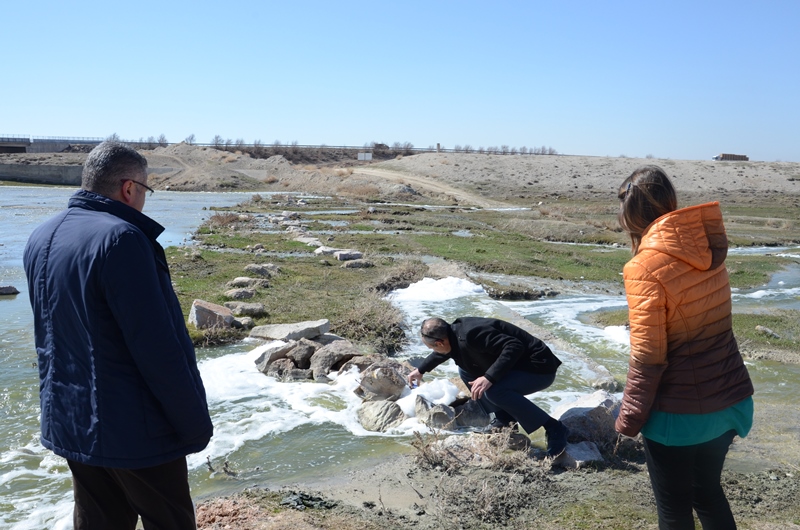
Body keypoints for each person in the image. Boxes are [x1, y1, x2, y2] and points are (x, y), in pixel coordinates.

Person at [23, 141, 214, 529]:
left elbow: (51, 338)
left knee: (98, 521)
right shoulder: (123, 239)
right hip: (138, 431)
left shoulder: (40, 237)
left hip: (72, 421)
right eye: (146, 190)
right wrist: (194, 424)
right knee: (170, 521)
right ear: (129, 188)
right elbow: (159, 347)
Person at [615, 165, 754, 530]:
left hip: (679, 416)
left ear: (630, 214)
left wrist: (628, 417)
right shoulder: (706, 250)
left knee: (674, 511)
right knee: (706, 493)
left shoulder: (643, 267)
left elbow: (649, 358)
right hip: (729, 399)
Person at [407, 316, 569, 456]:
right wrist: (421, 370)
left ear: (440, 342)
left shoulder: (472, 334)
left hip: (539, 368)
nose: (434, 350)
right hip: (517, 365)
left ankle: (554, 428)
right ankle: (504, 420)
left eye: (432, 347)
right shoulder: (453, 334)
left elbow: (514, 346)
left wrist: (489, 377)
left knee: (494, 391)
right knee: (466, 371)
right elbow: (443, 352)